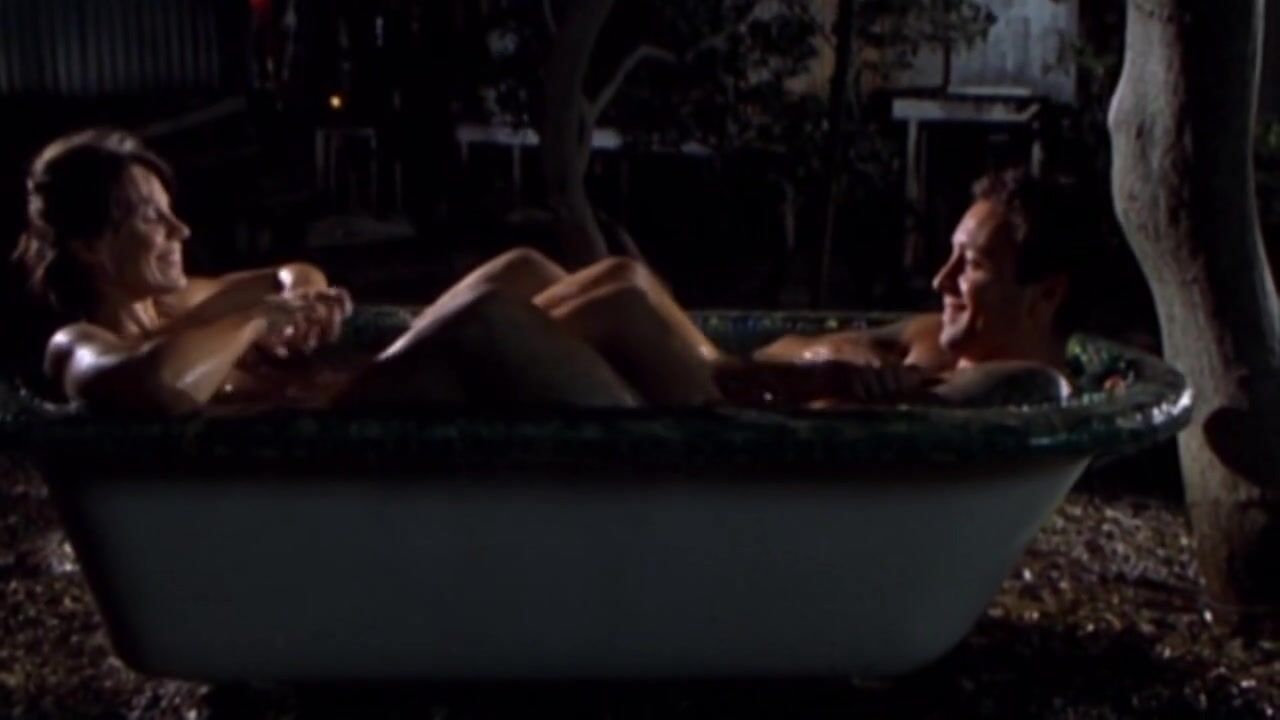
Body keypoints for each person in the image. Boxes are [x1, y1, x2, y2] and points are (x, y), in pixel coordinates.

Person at [8, 129, 726, 415]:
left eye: (172, 213)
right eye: (151, 219)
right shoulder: (80, 342)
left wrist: (302, 302)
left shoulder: (185, 303)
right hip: (339, 434)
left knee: (553, 272)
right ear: (90, 247)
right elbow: (160, 386)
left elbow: (291, 272)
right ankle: (689, 448)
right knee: (489, 322)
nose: (180, 232)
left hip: (358, 387)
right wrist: (258, 321)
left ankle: (727, 387)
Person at [748, 167, 1078, 406]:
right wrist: (834, 359)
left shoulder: (1050, 397)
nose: (941, 280)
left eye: (973, 265)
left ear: (1046, 295)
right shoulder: (928, 338)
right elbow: (768, 354)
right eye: (952, 256)